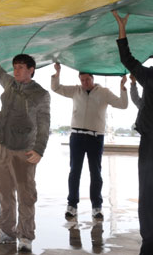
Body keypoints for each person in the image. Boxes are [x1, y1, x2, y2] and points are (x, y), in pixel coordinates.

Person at [0, 27, 50, 253]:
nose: (17, 71)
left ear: (31, 70)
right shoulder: (9, 84)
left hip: (25, 151)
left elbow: (45, 124)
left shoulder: (40, 94)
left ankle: (26, 236)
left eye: (21, 68)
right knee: (4, 191)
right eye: (15, 67)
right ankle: (7, 232)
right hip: (4, 148)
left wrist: (39, 149)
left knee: (26, 195)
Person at [51, 63, 127, 220]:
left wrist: (123, 87)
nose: (85, 82)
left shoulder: (104, 93)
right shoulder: (75, 90)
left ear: (93, 78)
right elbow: (56, 88)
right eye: (82, 80)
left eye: (87, 79)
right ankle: (72, 206)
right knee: (74, 172)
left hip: (96, 137)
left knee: (96, 173)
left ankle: (97, 207)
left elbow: (123, 104)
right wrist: (57, 72)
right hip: (77, 136)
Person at [112, 10, 153, 255]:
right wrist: (122, 29)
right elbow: (127, 58)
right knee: (147, 193)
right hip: (149, 143)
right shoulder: (149, 75)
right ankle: (148, 241)